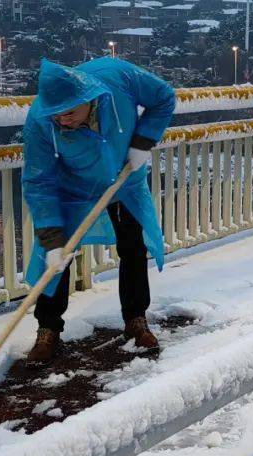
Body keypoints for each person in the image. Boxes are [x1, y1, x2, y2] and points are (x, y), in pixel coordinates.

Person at [21, 55, 177, 361]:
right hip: (73, 189)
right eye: (56, 115)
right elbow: (39, 182)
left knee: (132, 247)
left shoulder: (118, 77)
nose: (62, 121)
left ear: (88, 99)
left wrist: (142, 142)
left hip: (123, 178)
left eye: (68, 113)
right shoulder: (40, 119)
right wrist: (52, 236)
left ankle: (136, 320)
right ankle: (48, 330)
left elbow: (163, 97)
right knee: (55, 258)